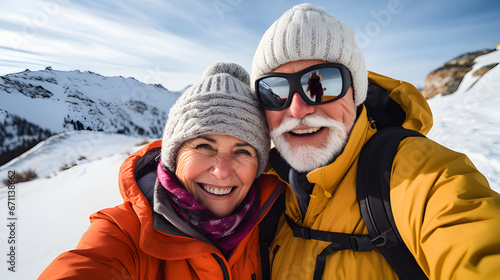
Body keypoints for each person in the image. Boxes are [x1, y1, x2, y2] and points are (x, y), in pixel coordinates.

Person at [251, 3, 500, 280]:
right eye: (275, 90)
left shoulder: (417, 172)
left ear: (356, 93)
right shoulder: (261, 190)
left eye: (323, 84)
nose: (298, 110)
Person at [39, 62, 283, 279]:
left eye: (243, 151)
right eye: (203, 146)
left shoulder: (275, 220)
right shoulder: (127, 232)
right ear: (173, 157)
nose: (221, 171)